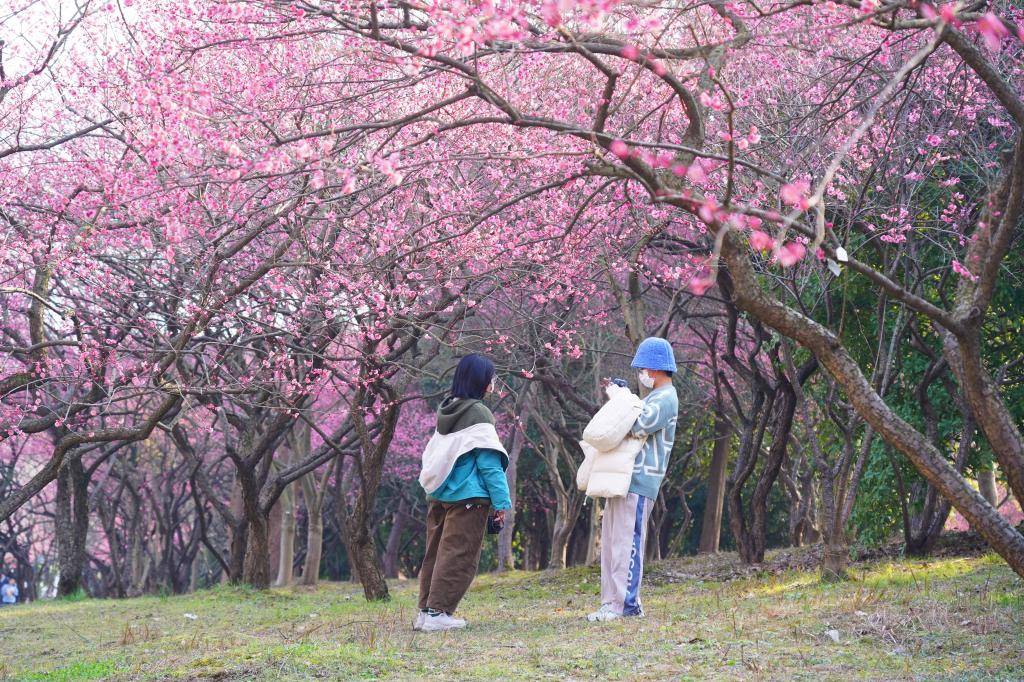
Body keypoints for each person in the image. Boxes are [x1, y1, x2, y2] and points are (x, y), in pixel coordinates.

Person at [414, 354, 512, 632]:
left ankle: (426, 612)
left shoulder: (447, 409)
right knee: (458, 555)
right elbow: (489, 465)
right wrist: (502, 502)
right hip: (468, 498)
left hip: (439, 494)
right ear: (481, 380)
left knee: (435, 554)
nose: (493, 382)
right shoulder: (478, 413)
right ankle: (438, 614)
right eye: (491, 377)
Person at [588, 337, 679, 622]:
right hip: (623, 478)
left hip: (639, 480)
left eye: (643, 368)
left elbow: (637, 425)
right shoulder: (651, 398)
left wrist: (622, 399)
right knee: (612, 544)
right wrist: (624, 399)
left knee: (627, 544)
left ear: (655, 368)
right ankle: (610, 603)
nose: (641, 374)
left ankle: (627, 606)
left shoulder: (666, 398)